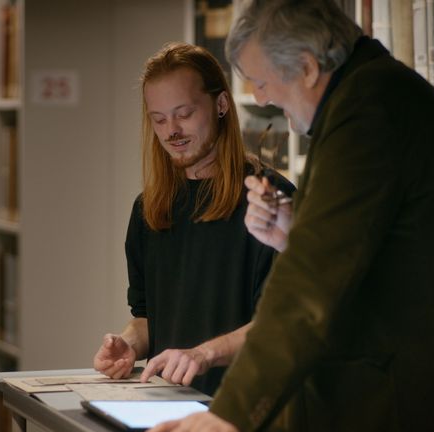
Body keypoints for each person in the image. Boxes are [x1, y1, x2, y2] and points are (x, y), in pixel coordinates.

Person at [147, 0, 434, 432]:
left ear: (308, 68)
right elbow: (385, 252)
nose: (260, 98)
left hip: (427, 400)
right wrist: (297, 234)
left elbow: (310, 284)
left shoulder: (367, 112)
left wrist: (229, 414)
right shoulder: (375, 94)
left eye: (260, 81)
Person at [92, 42, 294, 396]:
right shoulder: (149, 211)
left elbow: (282, 325)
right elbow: (148, 316)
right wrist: (130, 344)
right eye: (159, 119)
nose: (171, 130)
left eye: (183, 114)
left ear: (220, 105)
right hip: (170, 406)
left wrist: (204, 354)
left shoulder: (271, 205)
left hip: (243, 411)